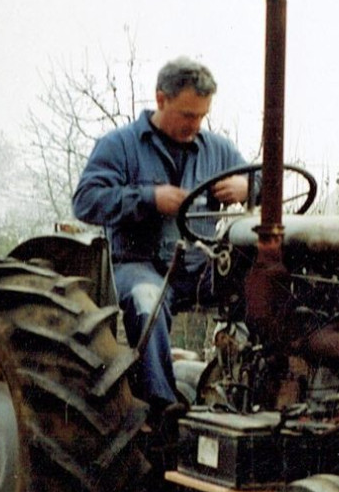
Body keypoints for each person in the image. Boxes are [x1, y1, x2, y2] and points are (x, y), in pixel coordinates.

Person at [72, 57, 250, 409]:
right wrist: (149, 198)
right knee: (147, 301)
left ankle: (250, 395)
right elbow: (86, 201)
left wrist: (246, 187)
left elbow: (261, 183)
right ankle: (163, 408)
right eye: (187, 115)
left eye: (202, 116)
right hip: (140, 264)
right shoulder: (119, 146)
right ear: (160, 99)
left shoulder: (218, 149)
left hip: (202, 266)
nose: (195, 125)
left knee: (262, 289)